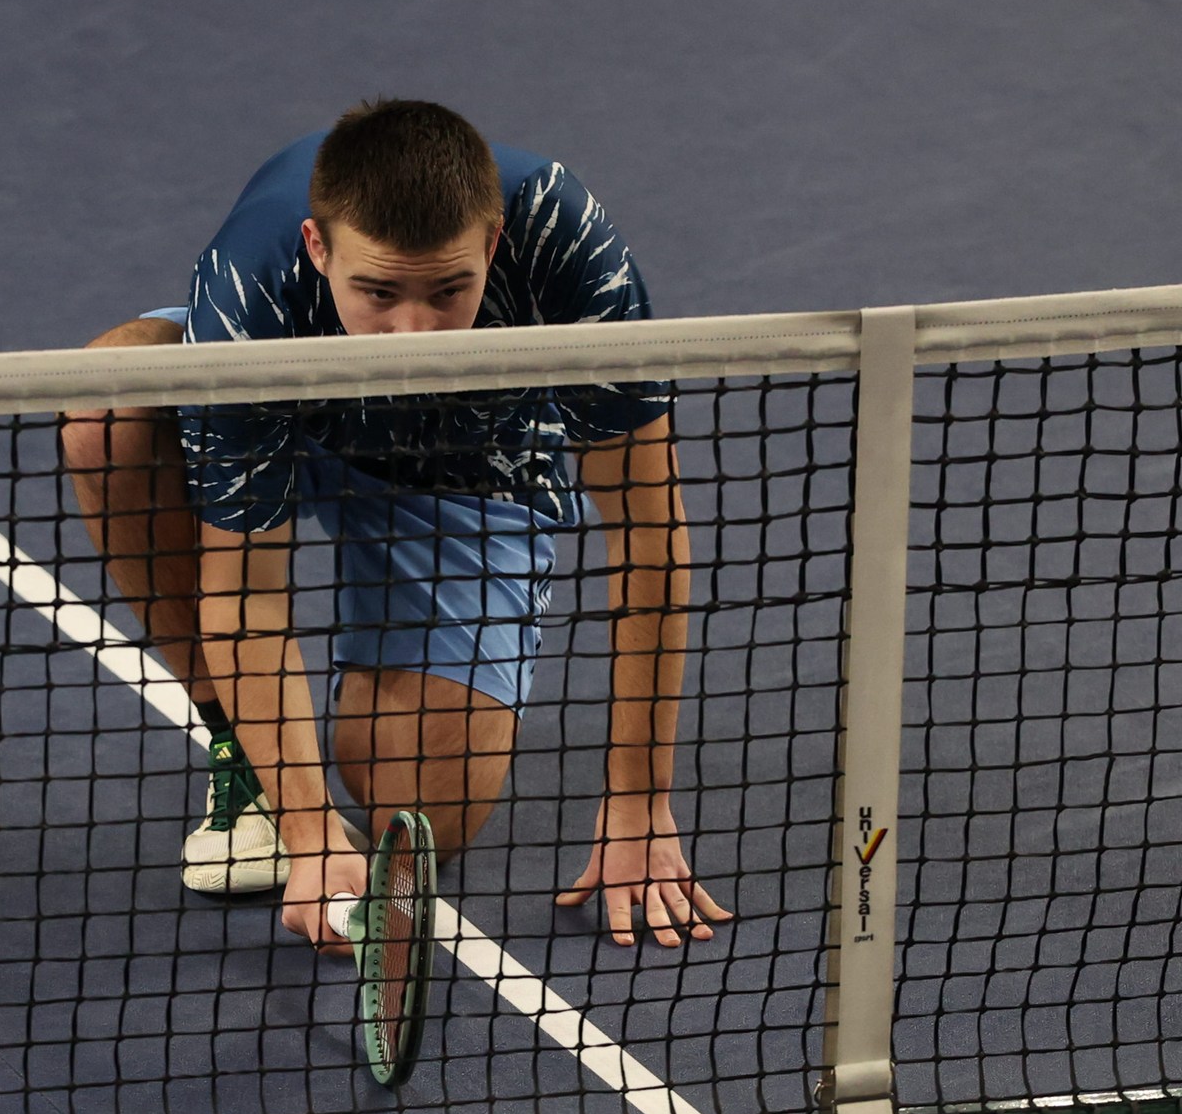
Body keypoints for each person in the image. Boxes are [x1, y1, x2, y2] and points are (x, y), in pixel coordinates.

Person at [62, 98, 731, 950]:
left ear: (493, 243)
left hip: (471, 456)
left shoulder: (566, 244)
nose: (412, 334)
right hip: (286, 404)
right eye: (377, 291)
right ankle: (243, 763)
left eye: (448, 290)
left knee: (419, 817)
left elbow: (647, 533)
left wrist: (639, 800)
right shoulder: (249, 293)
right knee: (105, 413)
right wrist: (309, 833)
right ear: (318, 248)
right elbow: (247, 589)